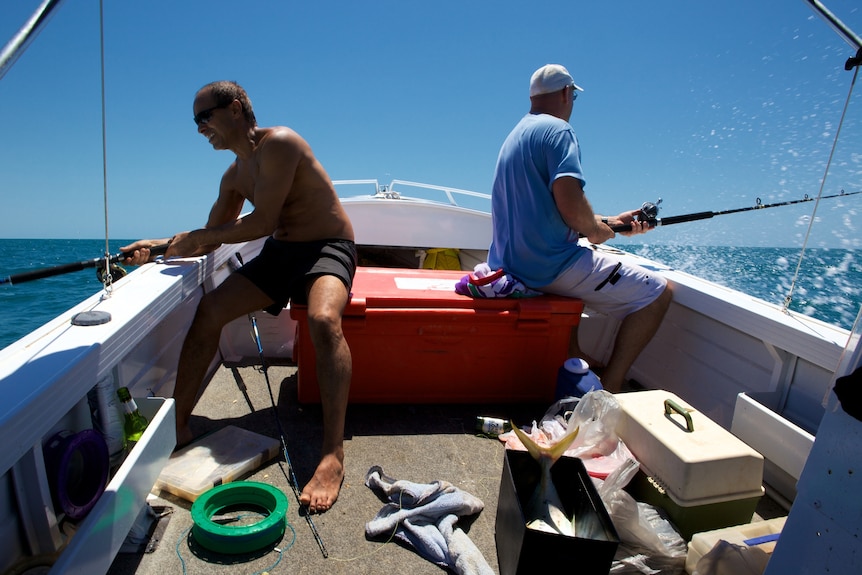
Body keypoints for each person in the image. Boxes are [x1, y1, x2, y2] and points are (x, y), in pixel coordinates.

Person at [121, 80, 355, 513]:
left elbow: (262, 220)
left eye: (203, 117)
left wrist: (195, 238)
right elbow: (210, 238)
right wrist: (157, 246)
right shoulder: (233, 175)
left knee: (324, 320)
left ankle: (332, 453)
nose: (198, 128)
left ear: (234, 108)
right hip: (282, 252)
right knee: (210, 310)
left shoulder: (281, 143)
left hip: (327, 245)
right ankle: (180, 423)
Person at [488, 64, 673, 392]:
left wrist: (612, 221)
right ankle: (613, 385)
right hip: (546, 266)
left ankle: (575, 355)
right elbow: (572, 206)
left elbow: (552, 209)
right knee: (657, 293)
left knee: (579, 262)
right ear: (565, 93)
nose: (571, 102)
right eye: (573, 96)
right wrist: (597, 231)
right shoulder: (559, 132)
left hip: (509, 262)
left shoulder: (515, 136)